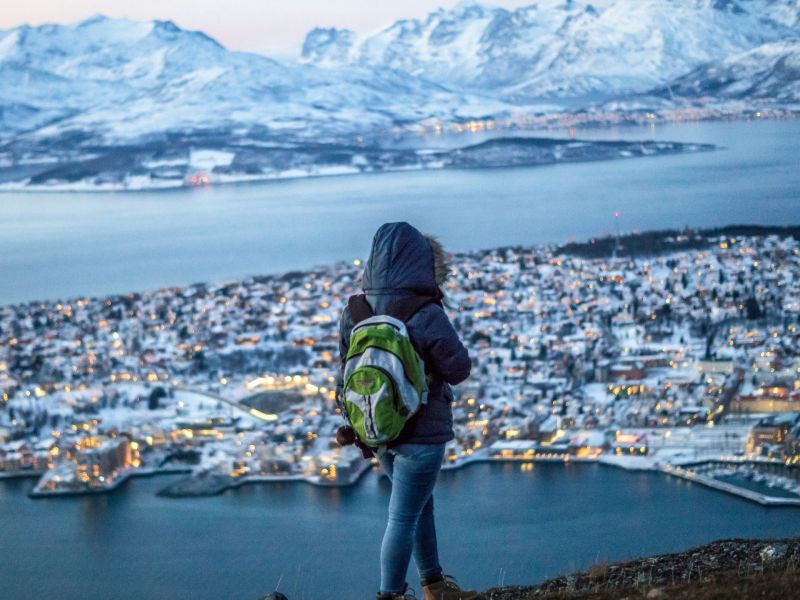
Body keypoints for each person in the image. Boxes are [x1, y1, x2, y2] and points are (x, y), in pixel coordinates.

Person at [335, 222, 482, 600]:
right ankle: (392, 594)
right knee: (402, 518)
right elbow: (458, 369)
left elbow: (344, 374)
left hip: (379, 429)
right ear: (420, 262)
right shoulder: (424, 312)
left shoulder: (355, 311)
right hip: (423, 433)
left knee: (417, 507)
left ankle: (434, 584)